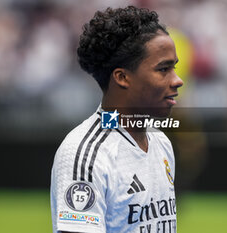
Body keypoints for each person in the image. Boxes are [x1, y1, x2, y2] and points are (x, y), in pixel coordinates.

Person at [51, 5, 183, 233]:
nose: (177, 80)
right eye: (163, 69)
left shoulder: (161, 143)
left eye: (174, 68)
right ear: (122, 77)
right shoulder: (85, 154)